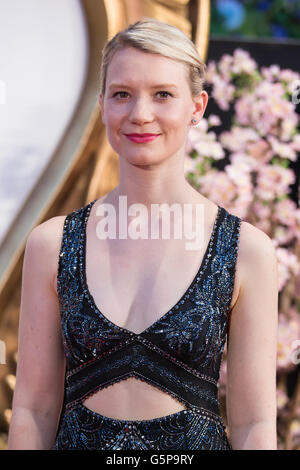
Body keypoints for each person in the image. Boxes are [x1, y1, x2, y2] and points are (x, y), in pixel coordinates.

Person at [8, 17, 278, 450]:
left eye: (163, 95)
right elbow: (33, 411)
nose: (140, 115)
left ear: (197, 106)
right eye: (122, 95)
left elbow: (254, 426)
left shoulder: (247, 251)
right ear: (101, 105)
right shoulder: (51, 245)